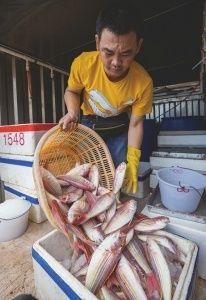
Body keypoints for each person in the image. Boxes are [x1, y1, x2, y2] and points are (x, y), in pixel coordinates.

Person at [59, 0, 153, 194]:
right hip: (87, 123)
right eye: (108, 52)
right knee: (85, 176)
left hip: (119, 128)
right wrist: (73, 113)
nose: (116, 62)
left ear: (139, 46)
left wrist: (133, 161)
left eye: (126, 53)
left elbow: (135, 124)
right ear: (97, 42)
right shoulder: (83, 64)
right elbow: (72, 91)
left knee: (114, 175)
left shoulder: (143, 82)